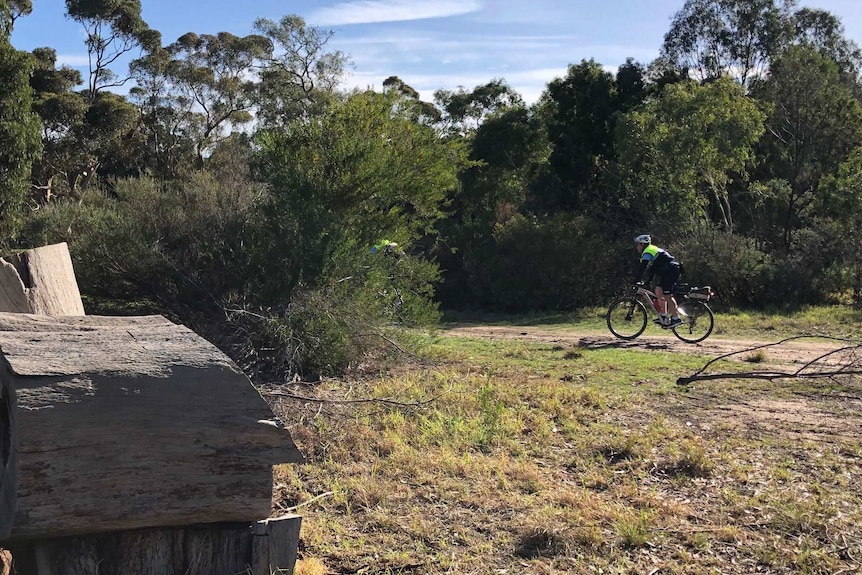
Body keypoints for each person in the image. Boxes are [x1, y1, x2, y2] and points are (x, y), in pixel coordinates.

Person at [633, 234, 682, 328]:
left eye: (638, 245)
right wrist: (646, 282)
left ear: (642, 244)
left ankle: (676, 318)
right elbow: (653, 270)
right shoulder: (652, 249)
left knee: (667, 295)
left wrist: (635, 280)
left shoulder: (647, 252)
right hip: (668, 270)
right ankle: (664, 315)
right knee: (658, 291)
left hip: (671, 270)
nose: (637, 247)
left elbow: (642, 268)